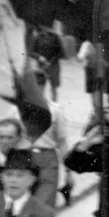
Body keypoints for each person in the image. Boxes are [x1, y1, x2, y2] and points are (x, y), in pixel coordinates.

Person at [28, 68, 69, 208]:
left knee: (44, 206)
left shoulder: (55, 110)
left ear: (43, 86)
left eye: (38, 85)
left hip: (47, 160)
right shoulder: (16, 110)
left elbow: (62, 142)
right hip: (24, 158)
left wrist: (69, 172)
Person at [31, 24, 64, 102]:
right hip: (41, 67)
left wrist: (50, 62)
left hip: (54, 67)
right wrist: (39, 57)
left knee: (54, 89)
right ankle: (41, 108)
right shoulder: (37, 37)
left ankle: (54, 106)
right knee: (40, 89)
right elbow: (31, 52)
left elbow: (61, 53)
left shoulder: (56, 37)